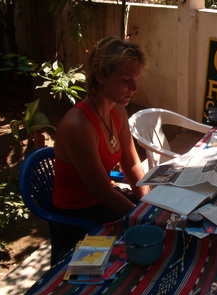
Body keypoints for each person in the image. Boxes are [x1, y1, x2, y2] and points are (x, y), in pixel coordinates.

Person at [52, 36, 150, 252]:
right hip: (78, 215)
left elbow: (131, 162)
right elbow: (102, 192)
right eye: (126, 80)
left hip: (103, 202)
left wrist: (147, 204)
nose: (134, 87)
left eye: (135, 79)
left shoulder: (117, 110)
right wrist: (141, 217)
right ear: (101, 76)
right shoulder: (78, 124)